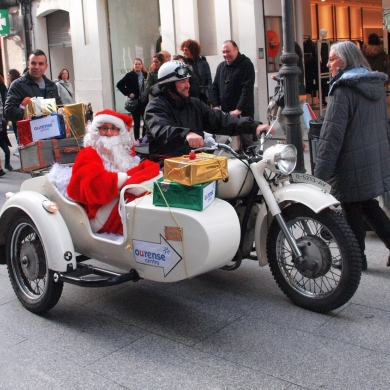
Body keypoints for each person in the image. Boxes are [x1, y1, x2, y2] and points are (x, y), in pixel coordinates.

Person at [314, 41, 390, 271]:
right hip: (372, 158)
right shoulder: (373, 84)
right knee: (366, 205)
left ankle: (356, 259)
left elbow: (331, 137)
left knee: (353, 207)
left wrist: (320, 176)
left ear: (344, 61)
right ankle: (358, 258)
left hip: (351, 161)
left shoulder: (343, 90)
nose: (328, 64)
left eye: (331, 59)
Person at [145, 60, 270, 162]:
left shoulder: (194, 104)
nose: (188, 85)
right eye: (182, 82)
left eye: (188, 81)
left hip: (195, 161)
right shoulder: (155, 107)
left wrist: (253, 126)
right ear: (169, 85)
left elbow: (220, 120)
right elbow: (162, 130)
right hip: (168, 165)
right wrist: (187, 134)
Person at [67, 109, 161, 235]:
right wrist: (125, 181)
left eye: (114, 129)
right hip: (101, 212)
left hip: (122, 204)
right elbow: (92, 185)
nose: (109, 133)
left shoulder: (124, 154)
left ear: (119, 133)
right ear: (96, 132)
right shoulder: (88, 154)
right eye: (104, 128)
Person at [212, 40, 256, 152]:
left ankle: (250, 166)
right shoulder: (221, 66)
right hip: (227, 113)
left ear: (236, 49)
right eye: (223, 52)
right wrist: (216, 105)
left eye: (228, 51)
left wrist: (239, 109)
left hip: (243, 113)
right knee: (232, 146)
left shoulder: (246, 64)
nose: (225, 55)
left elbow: (247, 89)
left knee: (247, 144)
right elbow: (215, 87)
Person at [4, 49, 62, 126]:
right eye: (33, 63)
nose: (36, 67)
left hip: (51, 133)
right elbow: (9, 112)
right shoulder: (17, 85)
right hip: (28, 135)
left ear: (46, 66)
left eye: (41, 64)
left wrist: (62, 111)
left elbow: (59, 106)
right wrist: (31, 113)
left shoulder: (51, 85)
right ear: (28, 64)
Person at [272, 42, 307, 149]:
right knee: (284, 117)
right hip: (292, 94)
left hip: (294, 94)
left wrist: (278, 78)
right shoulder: (291, 61)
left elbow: (291, 77)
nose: (282, 51)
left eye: (284, 49)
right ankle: (293, 140)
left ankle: (297, 141)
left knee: (287, 117)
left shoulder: (294, 62)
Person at [117, 58, 149, 141]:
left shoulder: (146, 74)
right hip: (135, 102)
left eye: (139, 64)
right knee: (137, 122)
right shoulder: (130, 75)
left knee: (146, 122)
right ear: (133, 66)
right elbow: (119, 85)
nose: (137, 66)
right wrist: (128, 93)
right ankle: (137, 139)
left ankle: (144, 138)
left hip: (145, 102)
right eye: (136, 64)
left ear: (142, 65)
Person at [180, 39, 212, 104]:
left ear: (192, 50)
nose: (184, 52)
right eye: (183, 50)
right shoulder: (184, 64)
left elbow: (209, 80)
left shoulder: (203, 63)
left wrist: (209, 93)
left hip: (203, 95)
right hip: (191, 94)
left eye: (186, 50)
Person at [6, 68, 21, 155]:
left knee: (19, 137)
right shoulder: (14, 85)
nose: (7, 77)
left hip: (17, 115)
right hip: (15, 114)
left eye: (8, 75)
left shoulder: (14, 86)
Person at [0, 75, 12, 174]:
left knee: (6, 150)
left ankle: (7, 164)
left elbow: (2, 106)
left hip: (1, 126)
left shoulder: (3, 88)